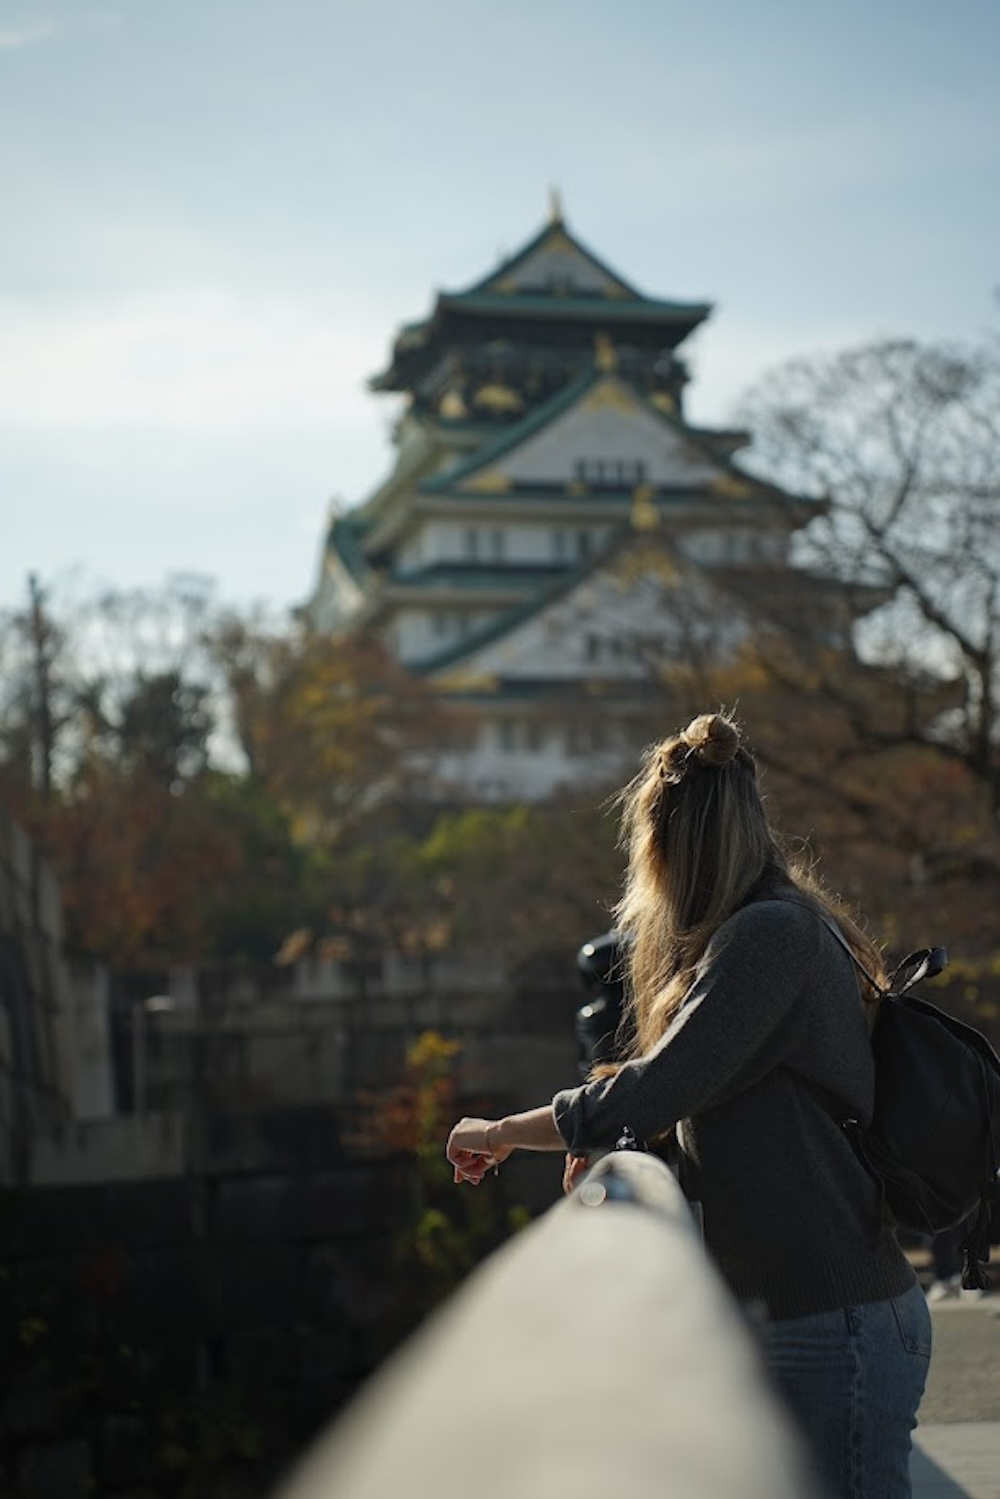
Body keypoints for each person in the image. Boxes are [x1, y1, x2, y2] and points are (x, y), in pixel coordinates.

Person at [446, 711, 931, 1499]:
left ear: (668, 845)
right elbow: (706, 1091)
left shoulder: (769, 938)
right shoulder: (767, 933)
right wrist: (638, 1136)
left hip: (837, 1321)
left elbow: (661, 1085)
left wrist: (502, 1131)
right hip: (811, 1312)